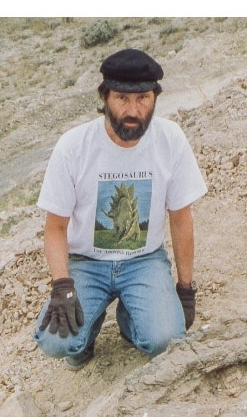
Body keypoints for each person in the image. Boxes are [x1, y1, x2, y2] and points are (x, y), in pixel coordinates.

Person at [33, 48, 207, 369]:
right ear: (104, 97)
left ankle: (131, 318)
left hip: (144, 260)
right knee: (57, 342)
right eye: (121, 99)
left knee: (166, 340)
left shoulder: (171, 140)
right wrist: (62, 286)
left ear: (155, 97)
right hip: (87, 262)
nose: (133, 110)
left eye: (142, 98)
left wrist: (185, 288)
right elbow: (55, 228)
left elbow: (181, 220)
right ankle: (85, 336)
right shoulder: (73, 146)